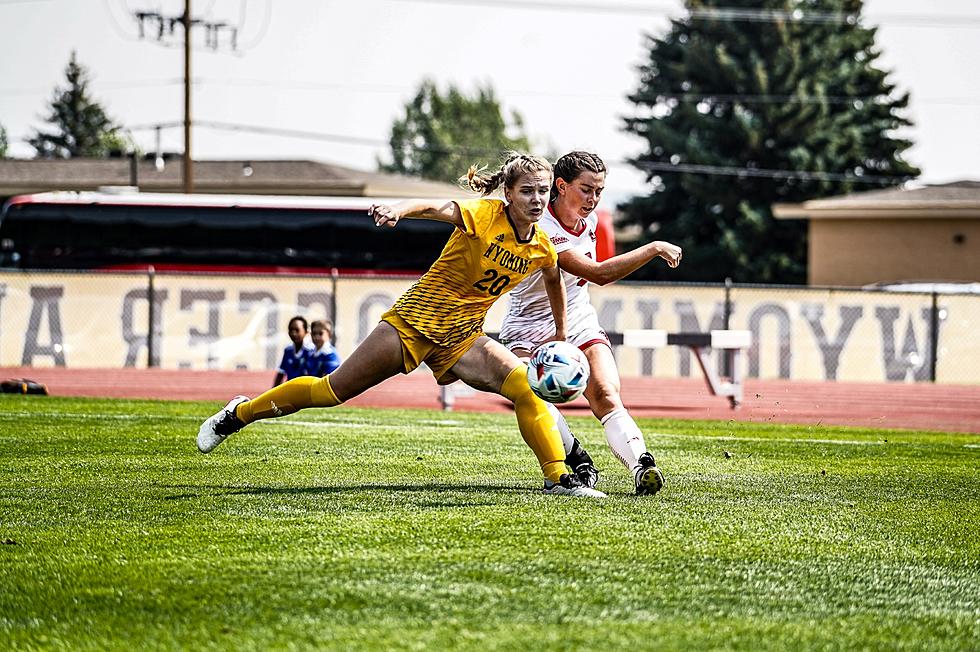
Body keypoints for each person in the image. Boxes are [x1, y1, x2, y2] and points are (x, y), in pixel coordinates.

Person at [197, 153, 606, 498]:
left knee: (525, 386)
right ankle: (240, 413)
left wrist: (560, 335)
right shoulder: (485, 215)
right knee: (331, 391)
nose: (536, 199)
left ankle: (559, 478)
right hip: (414, 322)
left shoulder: (541, 246)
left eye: (542, 190)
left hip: (462, 337)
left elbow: (554, 278)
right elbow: (435, 208)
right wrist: (398, 210)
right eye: (526, 191)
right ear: (508, 193)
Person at [499, 151, 682, 495]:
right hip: (527, 324)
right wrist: (654, 247)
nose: (593, 199)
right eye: (586, 190)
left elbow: (581, 286)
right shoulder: (542, 227)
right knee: (535, 397)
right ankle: (576, 456)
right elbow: (598, 274)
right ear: (561, 185)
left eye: (599, 191)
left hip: (579, 319)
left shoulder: (593, 221)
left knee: (606, 394)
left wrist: (568, 331)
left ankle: (642, 465)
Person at [272, 315, 315, 387]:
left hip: (306, 389)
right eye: (291, 330)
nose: (293, 333)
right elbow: (281, 373)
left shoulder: (311, 351)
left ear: (306, 332)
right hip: (291, 389)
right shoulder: (288, 350)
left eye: (297, 330)